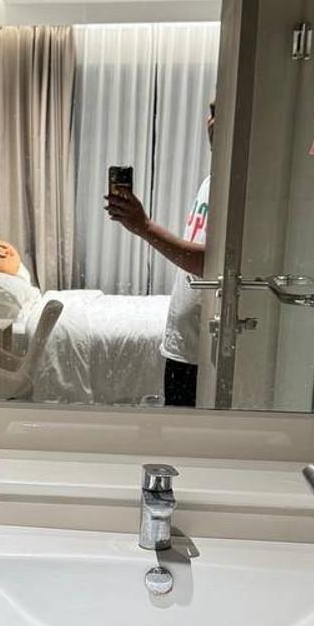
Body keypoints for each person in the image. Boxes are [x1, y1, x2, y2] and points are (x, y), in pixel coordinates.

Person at [104, 101, 214, 407]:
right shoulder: (210, 182)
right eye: (211, 112)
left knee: (187, 432)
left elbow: (210, 264)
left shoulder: (233, 189)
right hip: (184, 340)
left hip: (203, 349)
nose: (211, 121)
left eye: (221, 113)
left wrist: (144, 226)